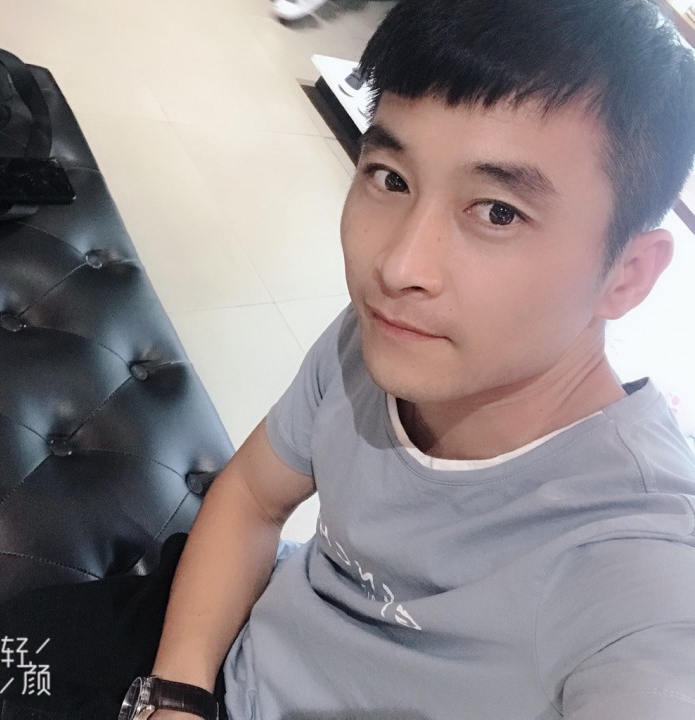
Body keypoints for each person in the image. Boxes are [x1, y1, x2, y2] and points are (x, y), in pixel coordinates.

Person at [131, 0, 695, 718]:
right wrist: (176, 695)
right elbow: (252, 497)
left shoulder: (642, 566)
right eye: (391, 178)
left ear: (628, 275)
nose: (398, 267)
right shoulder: (380, 339)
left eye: (497, 212)